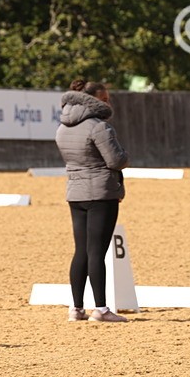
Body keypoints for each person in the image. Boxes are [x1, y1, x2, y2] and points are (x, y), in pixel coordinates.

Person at [55, 79, 129, 323]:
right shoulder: (99, 127)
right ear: (92, 100)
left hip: (75, 193)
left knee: (81, 251)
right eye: (104, 99)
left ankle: (76, 308)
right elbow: (116, 160)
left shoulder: (63, 128)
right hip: (100, 193)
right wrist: (125, 155)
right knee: (97, 252)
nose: (108, 103)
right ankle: (101, 309)